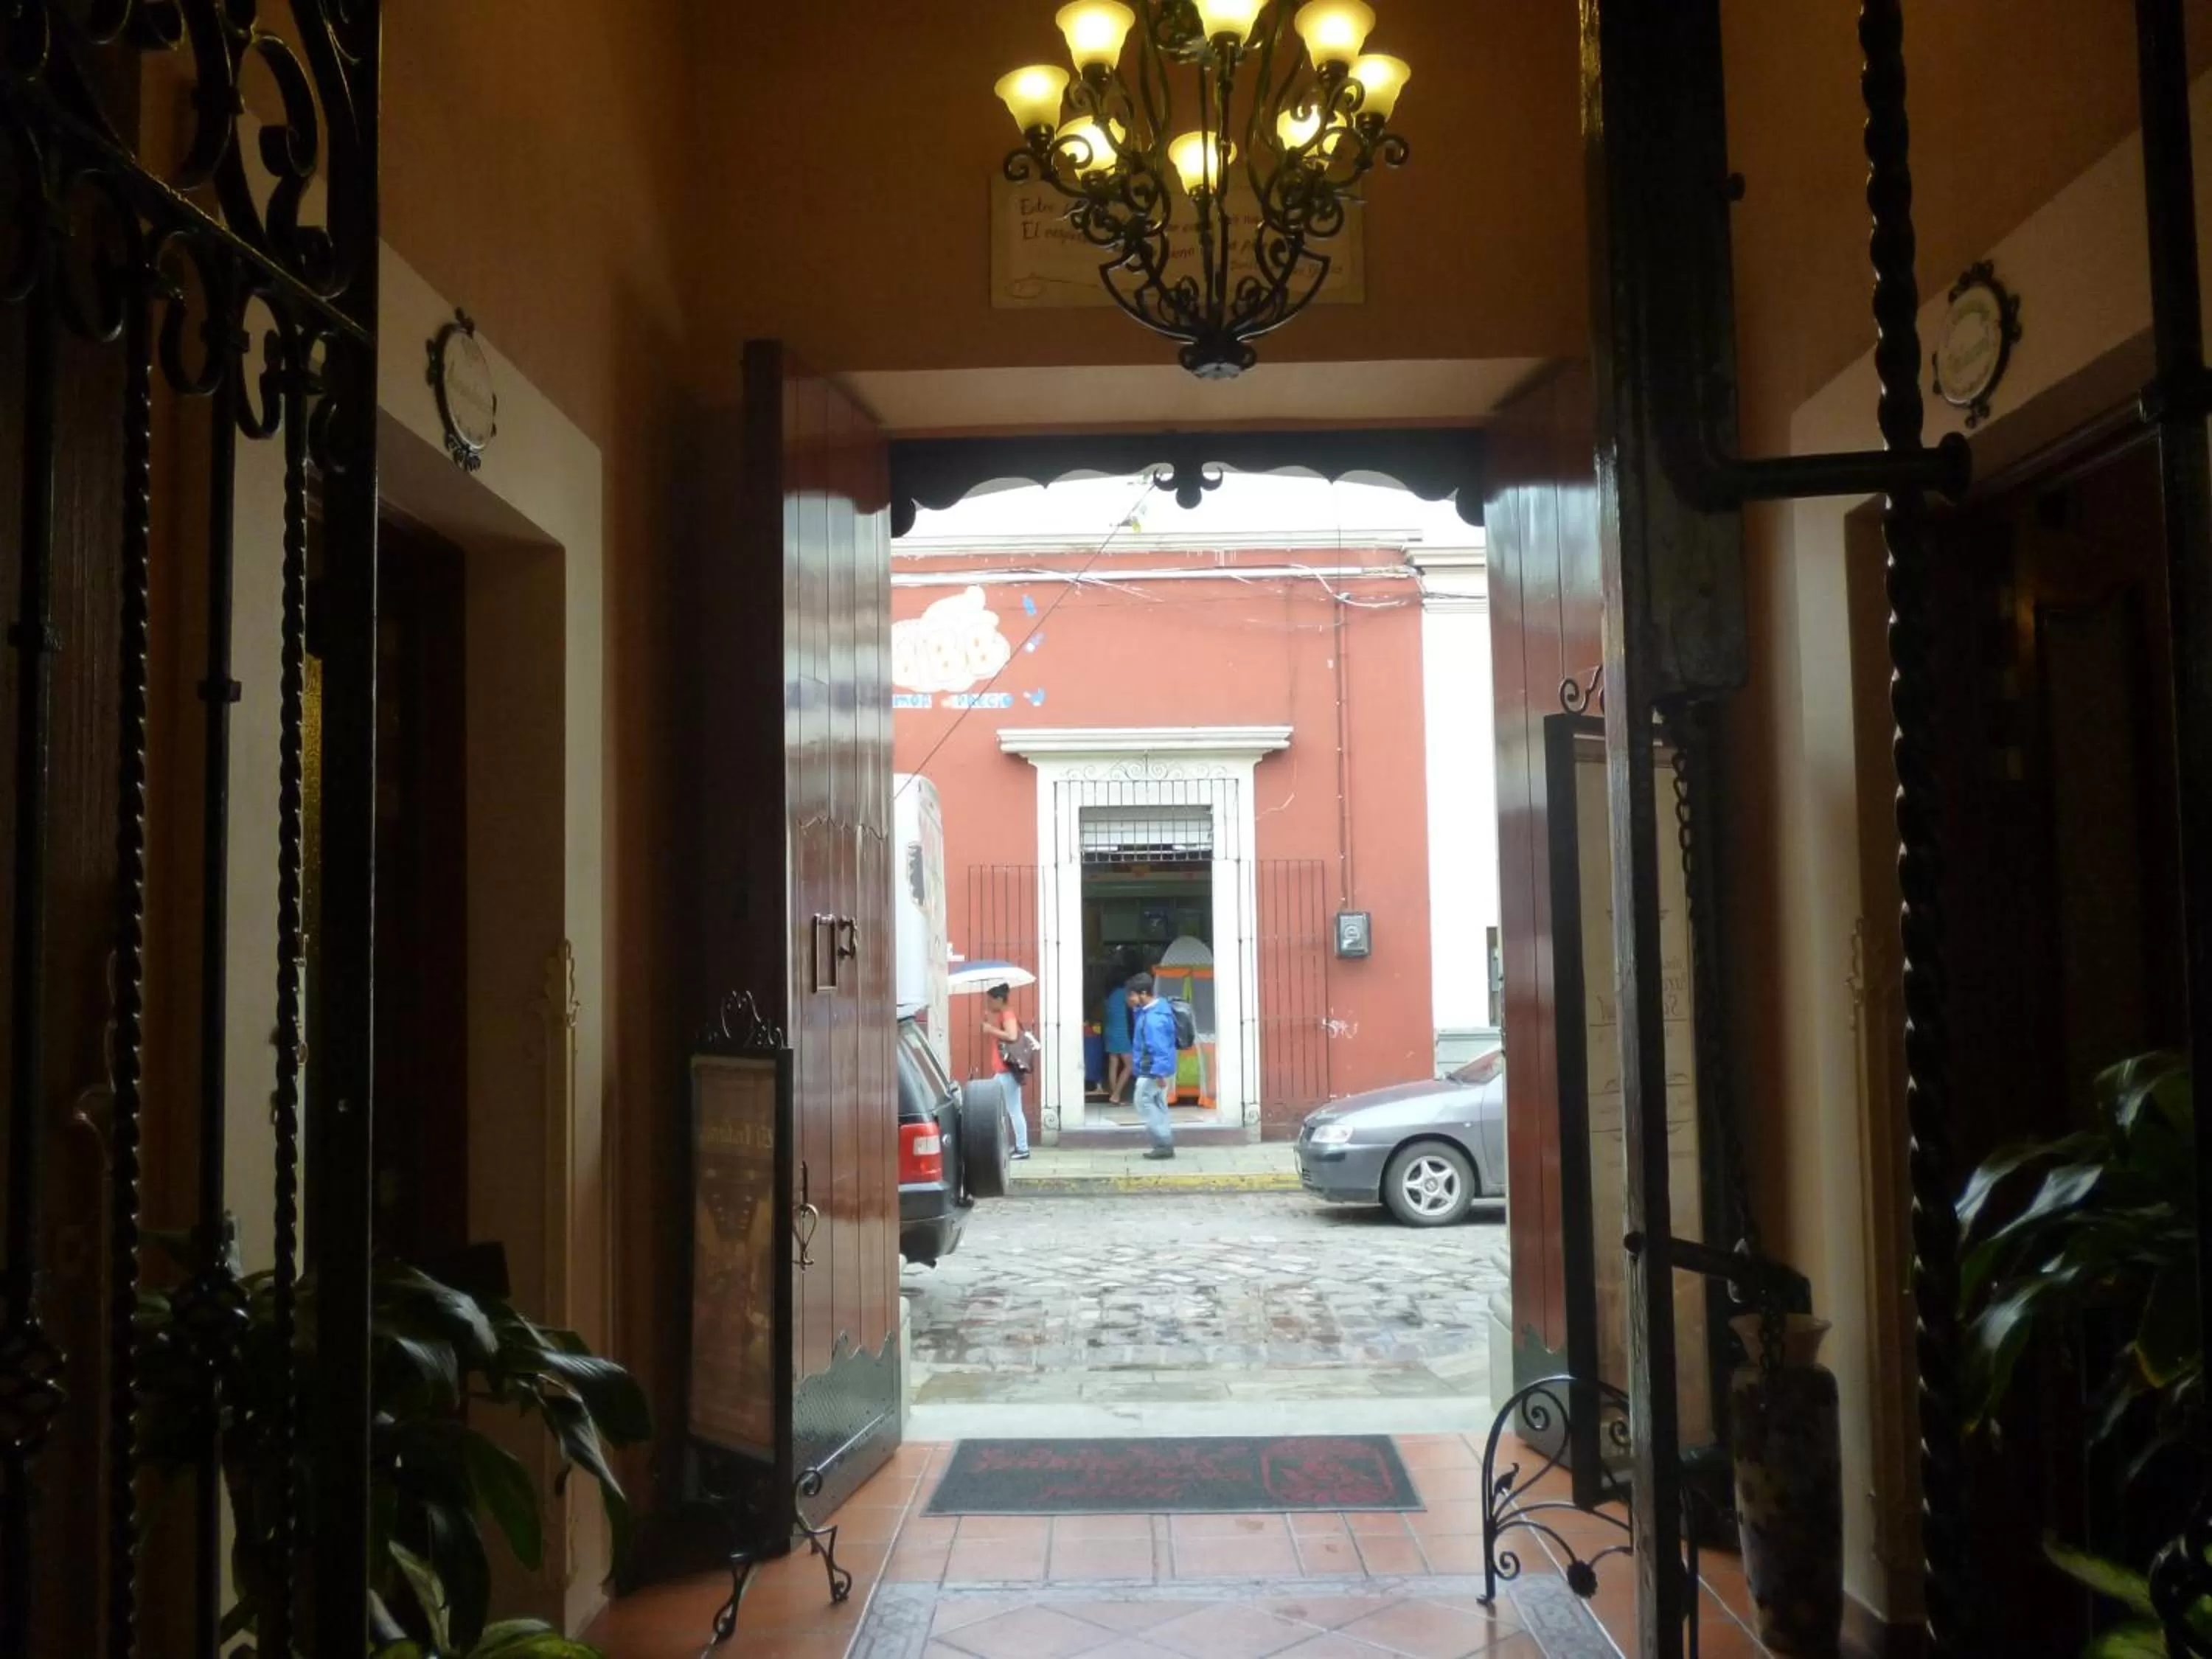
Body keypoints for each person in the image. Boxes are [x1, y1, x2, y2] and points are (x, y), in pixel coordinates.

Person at [1126, 972, 1178, 1161]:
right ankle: (1164, 1143)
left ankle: (1163, 1143)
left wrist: (1160, 1074)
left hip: (1153, 1070)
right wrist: (1136, 1009)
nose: (1129, 999)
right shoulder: (1154, 1010)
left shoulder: (1154, 1019)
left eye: (1131, 995)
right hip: (1157, 1068)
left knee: (1143, 1101)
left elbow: (1159, 1047)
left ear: (1142, 993)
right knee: (1157, 1103)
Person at [981, 984, 1032, 1161]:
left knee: (1011, 1110)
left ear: (999, 999)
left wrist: (990, 1030)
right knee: (1013, 1109)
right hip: (1005, 1070)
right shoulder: (1005, 1014)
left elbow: (1011, 1036)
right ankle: (1021, 1147)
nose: (988, 1004)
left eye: (990, 1000)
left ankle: (1022, 1148)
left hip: (1006, 1070)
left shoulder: (1007, 1014)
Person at [1101, 961, 1134, 1105]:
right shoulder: (1123, 993)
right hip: (1120, 1032)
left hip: (1110, 1030)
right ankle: (1116, 1094)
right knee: (1130, 1065)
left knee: (1113, 1063)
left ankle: (1114, 1096)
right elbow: (1133, 1004)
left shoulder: (1109, 994)